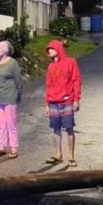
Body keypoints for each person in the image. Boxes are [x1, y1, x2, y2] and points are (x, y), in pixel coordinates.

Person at [44, 39, 81, 167]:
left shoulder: (71, 62)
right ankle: (58, 154)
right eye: (48, 49)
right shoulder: (50, 66)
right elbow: (48, 85)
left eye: (52, 48)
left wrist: (76, 99)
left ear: (58, 49)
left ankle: (71, 156)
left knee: (69, 128)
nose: (50, 51)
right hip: (53, 101)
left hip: (67, 101)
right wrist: (46, 104)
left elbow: (76, 80)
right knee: (56, 129)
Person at [0, 40, 23, 159]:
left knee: (11, 124)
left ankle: (14, 148)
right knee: (1, 124)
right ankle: (2, 147)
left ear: (6, 50)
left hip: (10, 97)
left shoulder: (12, 63)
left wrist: (18, 95)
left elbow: (19, 81)